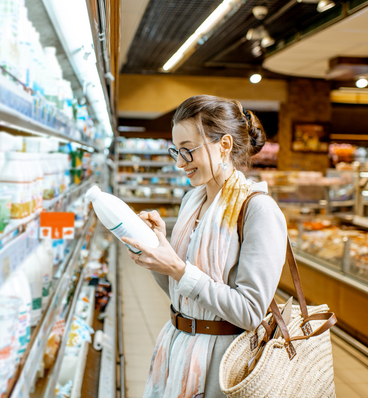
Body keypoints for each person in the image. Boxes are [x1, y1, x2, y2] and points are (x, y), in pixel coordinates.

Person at [122, 95, 287, 398]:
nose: (179, 162)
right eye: (175, 150)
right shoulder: (192, 202)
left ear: (224, 145)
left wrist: (179, 268)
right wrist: (153, 249)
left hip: (221, 364)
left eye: (188, 150)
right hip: (177, 349)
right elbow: (179, 289)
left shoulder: (258, 210)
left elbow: (250, 311)